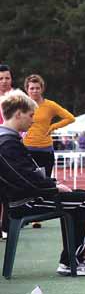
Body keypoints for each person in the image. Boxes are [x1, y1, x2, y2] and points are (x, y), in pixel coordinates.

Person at [0, 89, 85, 276]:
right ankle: (72, 261)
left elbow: (27, 175)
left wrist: (52, 183)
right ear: (18, 114)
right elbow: (26, 180)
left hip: (25, 198)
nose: (33, 120)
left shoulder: (9, 140)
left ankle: (72, 258)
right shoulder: (7, 143)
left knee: (78, 196)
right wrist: (53, 187)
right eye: (31, 115)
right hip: (26, 202)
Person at [23, 74, 75, 179]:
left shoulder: (50, 105)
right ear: (27, 90)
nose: (35, 91)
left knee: (45, 181)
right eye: (32, 88)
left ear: (42, 89)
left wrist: (53, 126)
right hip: (26, 150)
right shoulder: (22, 105)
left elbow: (70, 118)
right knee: (27, 181)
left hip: (45, 150)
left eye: (37, 88)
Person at [0, 64, 14, 239]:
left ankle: (8, 227)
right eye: (1, 78)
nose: (4, 81)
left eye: (7, 78)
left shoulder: (17, 98)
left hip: (11, 149)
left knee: (9, 192)